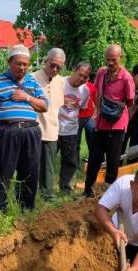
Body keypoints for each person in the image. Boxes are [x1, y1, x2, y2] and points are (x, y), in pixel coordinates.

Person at [0, 44, 48, 211]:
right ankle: (0, 210)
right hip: (6, 132)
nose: (22, 67)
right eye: (18, 63)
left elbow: (44, 105)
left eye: (25, 64)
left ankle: (26, 209)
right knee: (2, 173)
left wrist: (27, 97)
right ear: (9, 62)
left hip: (30, 132)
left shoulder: (32, 82)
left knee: (30, 172)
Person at [84, 44, 135, 197]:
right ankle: (88, 190)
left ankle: (109, 194)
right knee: (94, 158)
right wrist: (98, 111)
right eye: (108, 60)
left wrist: (114, 109)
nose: (111, 63)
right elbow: (97, 92)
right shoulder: (101, 73)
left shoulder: (126, 78)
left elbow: (130, 101)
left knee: (113, 162)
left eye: (114, 60)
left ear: (121, 58)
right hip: (101, 123)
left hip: (117, 126)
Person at [33, 48, 66, 201]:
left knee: (48, 166)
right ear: (46, 61)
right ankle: (29, 194)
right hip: (34, 128)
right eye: (52, 65)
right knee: (31, 164)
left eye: (58, 67)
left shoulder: (61, 81)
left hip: (52, 129)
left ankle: (47, 195)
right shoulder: (32, 78)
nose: (54, 69)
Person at [58, 62, 91, 194]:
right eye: (80, 75)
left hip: (71, 129)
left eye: (85, 77)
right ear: (74, 70)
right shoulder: (60, 82)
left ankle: (65, 188)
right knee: (45, 160)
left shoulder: (85, 90)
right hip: (54, 127)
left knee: (70, 160)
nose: (81, 79)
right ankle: (44, 188)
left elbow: (82, 108)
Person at [76, 74, 97, 167]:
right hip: (76, 118)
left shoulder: (91, 87)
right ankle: (74, 163)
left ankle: (94, 162)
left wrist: (94, 116)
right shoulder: (74, 87)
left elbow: (97, 103)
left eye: (85, 77)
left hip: (88, 117)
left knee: (93, 141)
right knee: (75, 142)